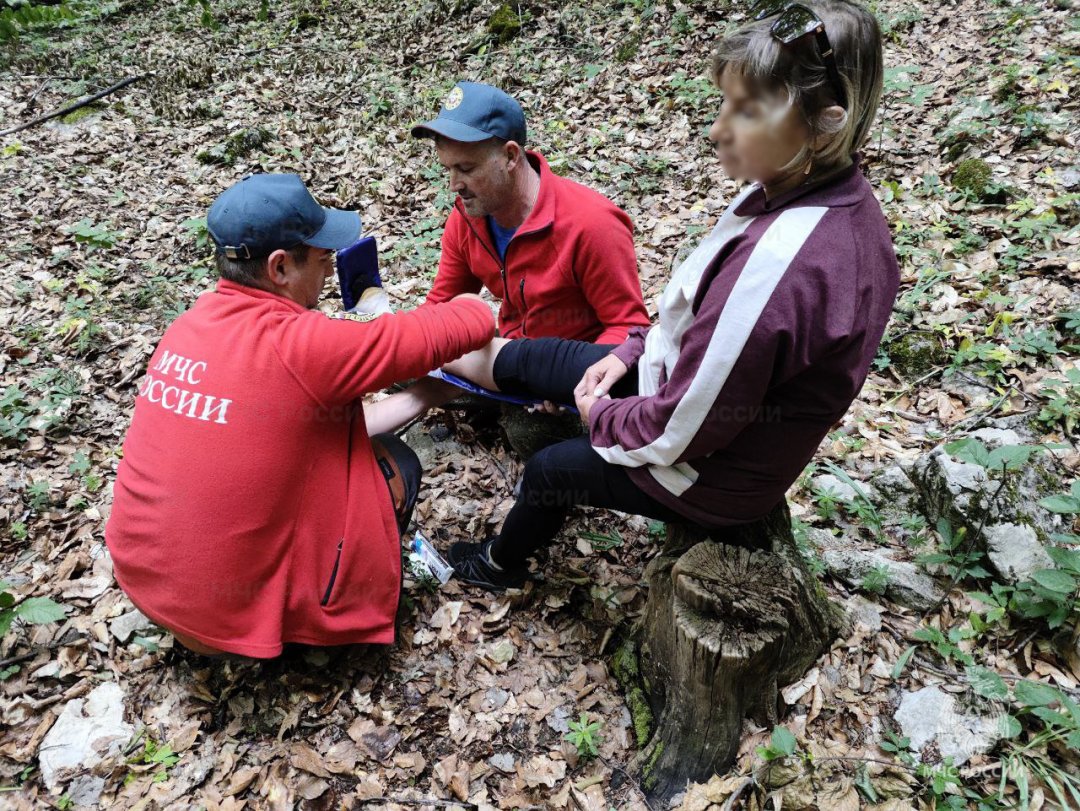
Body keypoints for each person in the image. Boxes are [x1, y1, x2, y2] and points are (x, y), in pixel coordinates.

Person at [442, 0, 899, 591]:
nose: (718, 130)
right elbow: (693, 332)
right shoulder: (795, 188)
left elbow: (686, 426)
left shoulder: (784, 267)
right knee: (540, 358)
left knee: (551, 469)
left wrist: (601, 416)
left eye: (748, 111)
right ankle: (441, 360)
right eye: (725, 104)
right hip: (679, 384)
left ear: (826, 122)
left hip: (709, 471)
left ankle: (498, 566)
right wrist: (626, 355)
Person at [104, 174, 494, 657]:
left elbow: (306, 432)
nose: (330, 272)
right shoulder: (303, 344)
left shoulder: (190, 324)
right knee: (398, 466)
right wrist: (474, 303)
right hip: (226, 623)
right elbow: (453, 327)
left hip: (149, 590)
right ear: (280, 267)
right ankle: (327, 625)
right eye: (324, 259)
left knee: (335, 450)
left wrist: (422, 396)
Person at [412, 81, 649, 345]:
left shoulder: (591, 224)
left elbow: (628, 330)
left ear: (511, 156)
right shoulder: (468, 220)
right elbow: (440, 309)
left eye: (466, 169)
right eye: (448, 169)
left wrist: (581, 377)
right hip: (509, 363)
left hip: (578, 370)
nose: (454, 185)